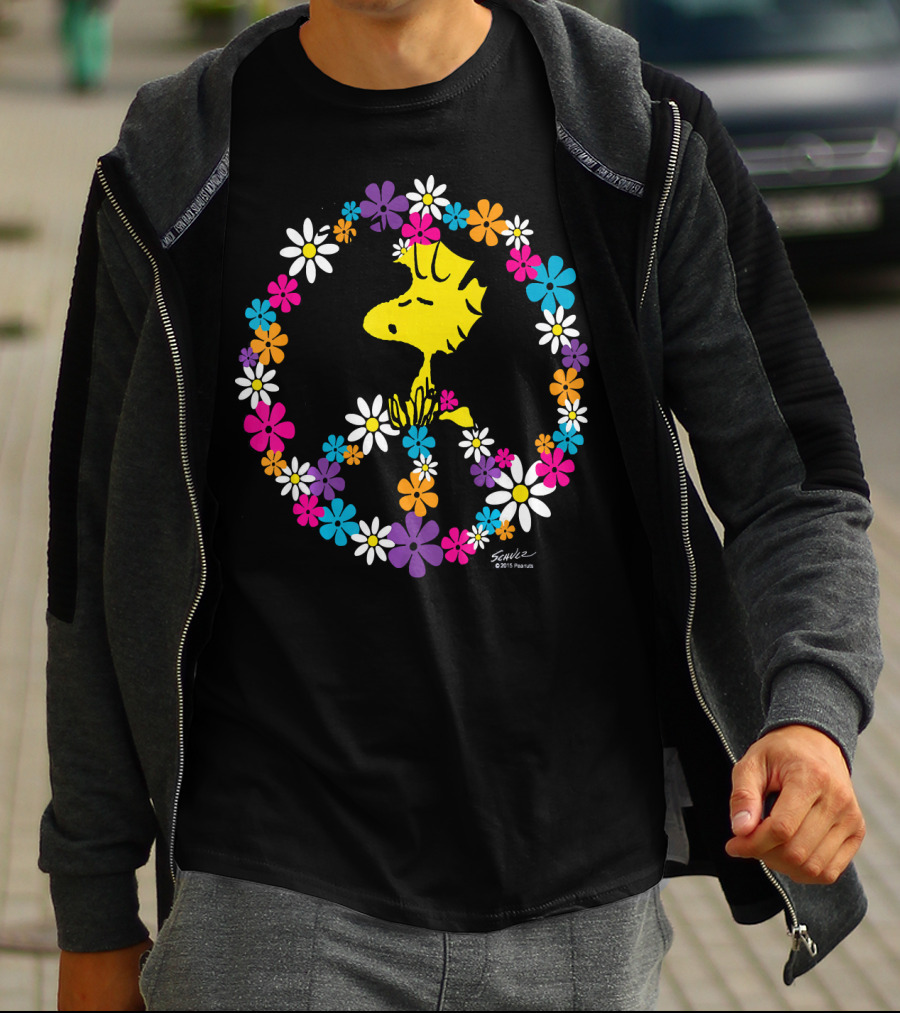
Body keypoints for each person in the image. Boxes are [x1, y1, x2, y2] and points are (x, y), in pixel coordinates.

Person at [41, 0, 880, 1009]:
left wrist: (813, 715)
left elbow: (797, 480)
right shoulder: (177, 165)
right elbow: (89, 558)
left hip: (582, 902)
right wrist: (93, 908)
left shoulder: (635, 136)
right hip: (270, 897)